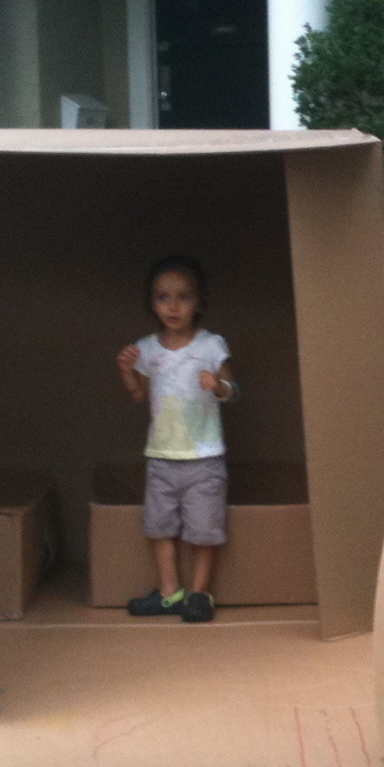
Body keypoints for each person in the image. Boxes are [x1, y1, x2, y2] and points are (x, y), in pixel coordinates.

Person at [115, 255, 235, 623]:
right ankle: (170, 593)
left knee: (204, 530)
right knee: (160, 527)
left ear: (198, 303)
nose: (173, 305)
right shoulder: (147, 349)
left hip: (204, 458)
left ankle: (199, 595)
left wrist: (218, 385)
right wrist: (126, 372)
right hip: (162, 456)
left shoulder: (212, 346)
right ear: (152, 303)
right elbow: (139, 396)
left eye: (183, 297)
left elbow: (233, 390)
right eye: (162, 297)